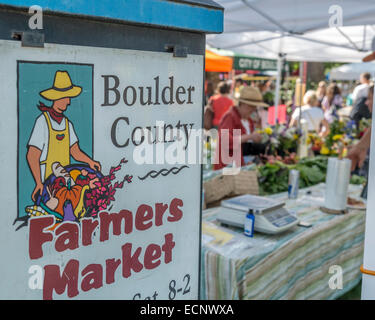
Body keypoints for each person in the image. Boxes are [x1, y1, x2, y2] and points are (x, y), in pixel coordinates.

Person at [27, 70, 101, 202]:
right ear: (57, 97)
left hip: (65, 181)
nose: (68, 102)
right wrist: (38, 182)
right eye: (66, 97)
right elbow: (32, 155)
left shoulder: (67, 124)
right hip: (47, 182)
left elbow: (75, 151)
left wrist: (90, 162)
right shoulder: (43, 121)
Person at [213, 86, 266, 170]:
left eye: (254, 107)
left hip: (241, 166)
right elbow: (225, 141)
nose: (253, 110)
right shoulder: (230, 117)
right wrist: (249, 137)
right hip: (228, 167)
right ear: (242, 104)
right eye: (251, 107)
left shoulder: (249, 120)